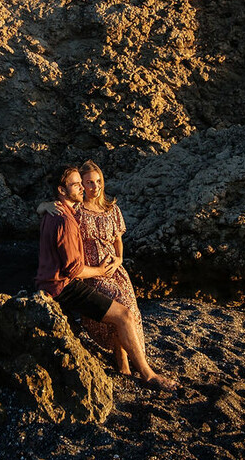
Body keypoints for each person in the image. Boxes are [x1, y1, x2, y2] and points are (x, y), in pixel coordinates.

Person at [35, 163, 176, 389]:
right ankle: (147, 374)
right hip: (72, 281)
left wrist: (117, 261)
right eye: (82, 183)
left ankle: (125, 364)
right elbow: (73, 269)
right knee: (124, 315)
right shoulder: (67, 216)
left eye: (94, 182)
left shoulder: (74, 210)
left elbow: (117, 239)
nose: (87, 187)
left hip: (102, 272)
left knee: (127, 311)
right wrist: (45, 205)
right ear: (63, 190)